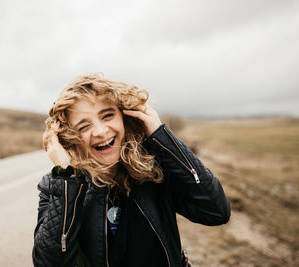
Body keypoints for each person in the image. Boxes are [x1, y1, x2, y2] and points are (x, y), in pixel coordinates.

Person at [32, 74, 230, 267]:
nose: (100, 131)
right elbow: (49, 262)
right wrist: (66, 176)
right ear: (69, 137)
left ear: (125, 118)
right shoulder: (59, 185)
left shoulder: (155, 170)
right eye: (84, 126)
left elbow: (216, 211)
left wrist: (161, 136)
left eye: (107, 115)